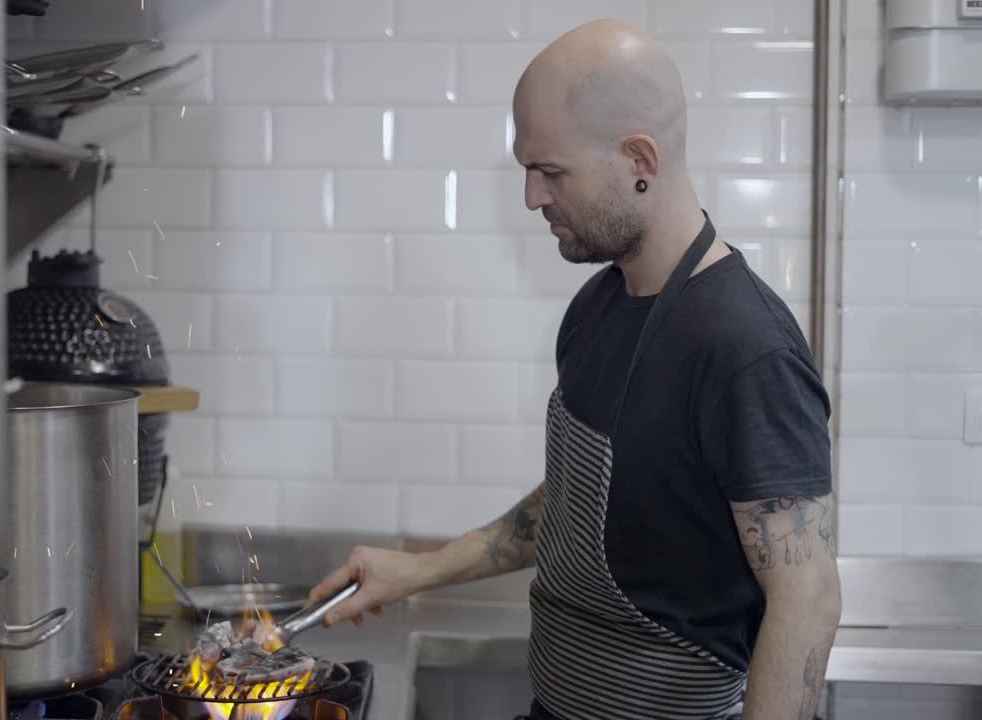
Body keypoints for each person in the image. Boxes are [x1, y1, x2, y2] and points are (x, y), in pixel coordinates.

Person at [308, 19, 841, 720]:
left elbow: (808, 598)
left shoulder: (744, 347)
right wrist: (416, 570)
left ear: (638, 159)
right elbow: (582, 498)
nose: (532, 197)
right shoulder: (600, 305)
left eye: (550, 171)